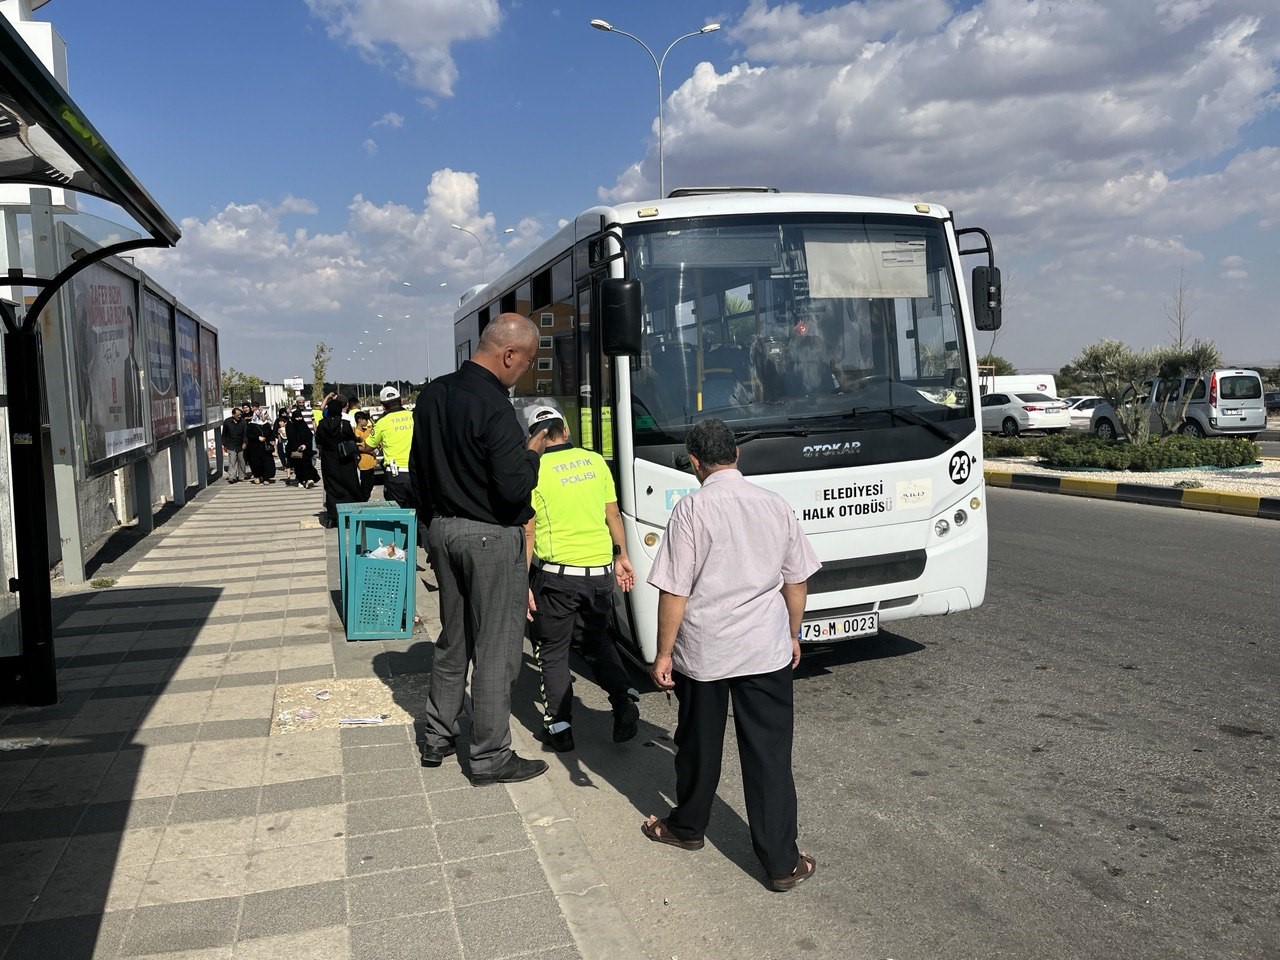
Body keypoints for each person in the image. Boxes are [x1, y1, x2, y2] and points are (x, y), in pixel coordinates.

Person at [642, 418, 822, 893]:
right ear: (737, 456)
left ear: (696, 463)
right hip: (766, 648)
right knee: (769, 755)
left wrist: (664, 653)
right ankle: (782, 862)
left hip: (706, 651)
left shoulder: (691, 511)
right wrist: (792, 633)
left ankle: (687, 828)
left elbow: (674, 592)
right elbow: (796, 580)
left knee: (698, 746)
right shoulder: (774, 505)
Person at [409, 313, 551, 786]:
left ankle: (437, 735)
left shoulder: (432, 395)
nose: (523, 373)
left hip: (444, 530)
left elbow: (418, 471)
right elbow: (514, 490)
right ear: (509, 354)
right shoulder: (494, 405)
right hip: (490, 537)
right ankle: (490, 756)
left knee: (455, 638)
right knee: (495, 649)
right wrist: (532, 453)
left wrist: (433, 529)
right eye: (526, 364)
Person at [522, 404, 639, 752]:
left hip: (558, 578)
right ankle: (622, 700)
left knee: (553, 650)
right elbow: (613, 513)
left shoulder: (534, 471)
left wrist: (522, 584)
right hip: (600, 574)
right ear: (566, 431)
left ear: (536, 437)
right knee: (597, 640)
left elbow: (529, 534)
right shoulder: (594, 461)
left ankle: (559, 729)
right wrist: (622, 557)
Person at [315, 395, 362, 527]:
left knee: (331, 488)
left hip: (329, 460)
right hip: (345, 459)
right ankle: (348, 517)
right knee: (348, 486)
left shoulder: (322, 424)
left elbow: (318, 441)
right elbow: (351, 439)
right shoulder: (344, 424)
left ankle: (332, 518)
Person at [364, 386, 414, 509]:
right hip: (417, 472)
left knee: (398, 516)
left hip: (396, 475)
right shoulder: (414, 416)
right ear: (401, 401)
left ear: (383, 406)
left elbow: (368, 447)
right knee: (421, 515)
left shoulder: (382, 423)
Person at [286, 407, 319, 488]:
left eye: (300, 417)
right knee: (298, 466)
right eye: (297, 417)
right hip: (295, 450)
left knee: (307, 464)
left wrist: (305, 445)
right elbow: (291, 438)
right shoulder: (290, 426)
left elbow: (309, 436)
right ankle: (300, 480)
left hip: (305, 449)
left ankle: (309, 479)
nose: (299, 419)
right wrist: (298, 446)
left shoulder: (304, 425)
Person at [245, 408, 277, 484]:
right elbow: (248, 435)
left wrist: (272, 440)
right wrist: (257, 438)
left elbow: (271, 434)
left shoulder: (266, 424)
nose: (266, 416)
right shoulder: (251, 425)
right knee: (256, 463)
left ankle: (266, 478)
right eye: (264, 414)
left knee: (267, 462)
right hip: (255, 448)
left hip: (266, 448)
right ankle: (257, 476)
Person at [352, 410, 377, 502]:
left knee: (370, 484)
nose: (366, 422)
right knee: (365, 486)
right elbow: (358, 447)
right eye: (365, 419)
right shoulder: (357, 433)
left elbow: (376, 427)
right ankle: (362, 501)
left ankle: (364, 499)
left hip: (371, 462)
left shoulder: (367, 430)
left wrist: (369, 417)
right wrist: (369, 451)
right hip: (363, 464)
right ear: (359, 420)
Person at [221, 406, 248, 483]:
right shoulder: (227, 422)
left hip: (241, 443)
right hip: (231, 444)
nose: (239, 416)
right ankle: (232, 477)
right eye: (238, 415)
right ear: (233, 415)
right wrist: (224, 444)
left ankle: (241, 476)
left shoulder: (243, 422)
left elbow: (245, 434)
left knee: (242, 461)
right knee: (232, 461)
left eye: (240, 415)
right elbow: (224, 434)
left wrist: (245, 442)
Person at [274, 407, 293, 480]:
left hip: (289, 440)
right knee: (281, 452)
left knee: (289, 453)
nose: (284, 414)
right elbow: (275, 430)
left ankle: (290, 466)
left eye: (285, 413)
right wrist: (278, 434)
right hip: (281, 440)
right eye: (282, 413)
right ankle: (285, 465)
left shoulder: (289, 420)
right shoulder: (277, 421)